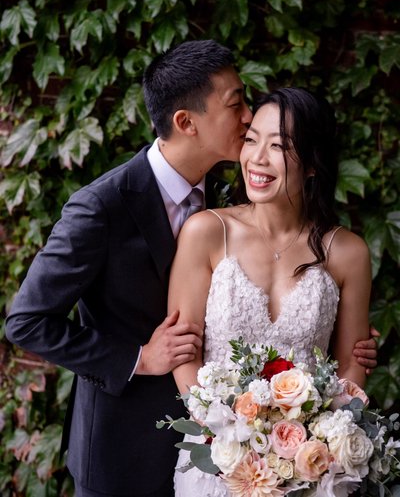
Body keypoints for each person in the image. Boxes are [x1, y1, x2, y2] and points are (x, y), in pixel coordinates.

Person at [5, 42, 376, 497]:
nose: (246, 118)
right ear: (186, 122)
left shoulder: (230, 191)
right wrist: (140, 358)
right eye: (236, 103)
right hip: (128, 450)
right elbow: (26, 321)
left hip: (252, 456)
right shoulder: (100, 207)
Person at [168, 87, 372, 497]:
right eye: (251, 140)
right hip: (217, 462)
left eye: (278, 146)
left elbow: (354, 364)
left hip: (312, 468)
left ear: (312, 163)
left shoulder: (348, 253)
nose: (256, 158)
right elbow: (183, 352)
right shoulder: (207, 233)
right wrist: (225, 435)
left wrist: (312, 444)